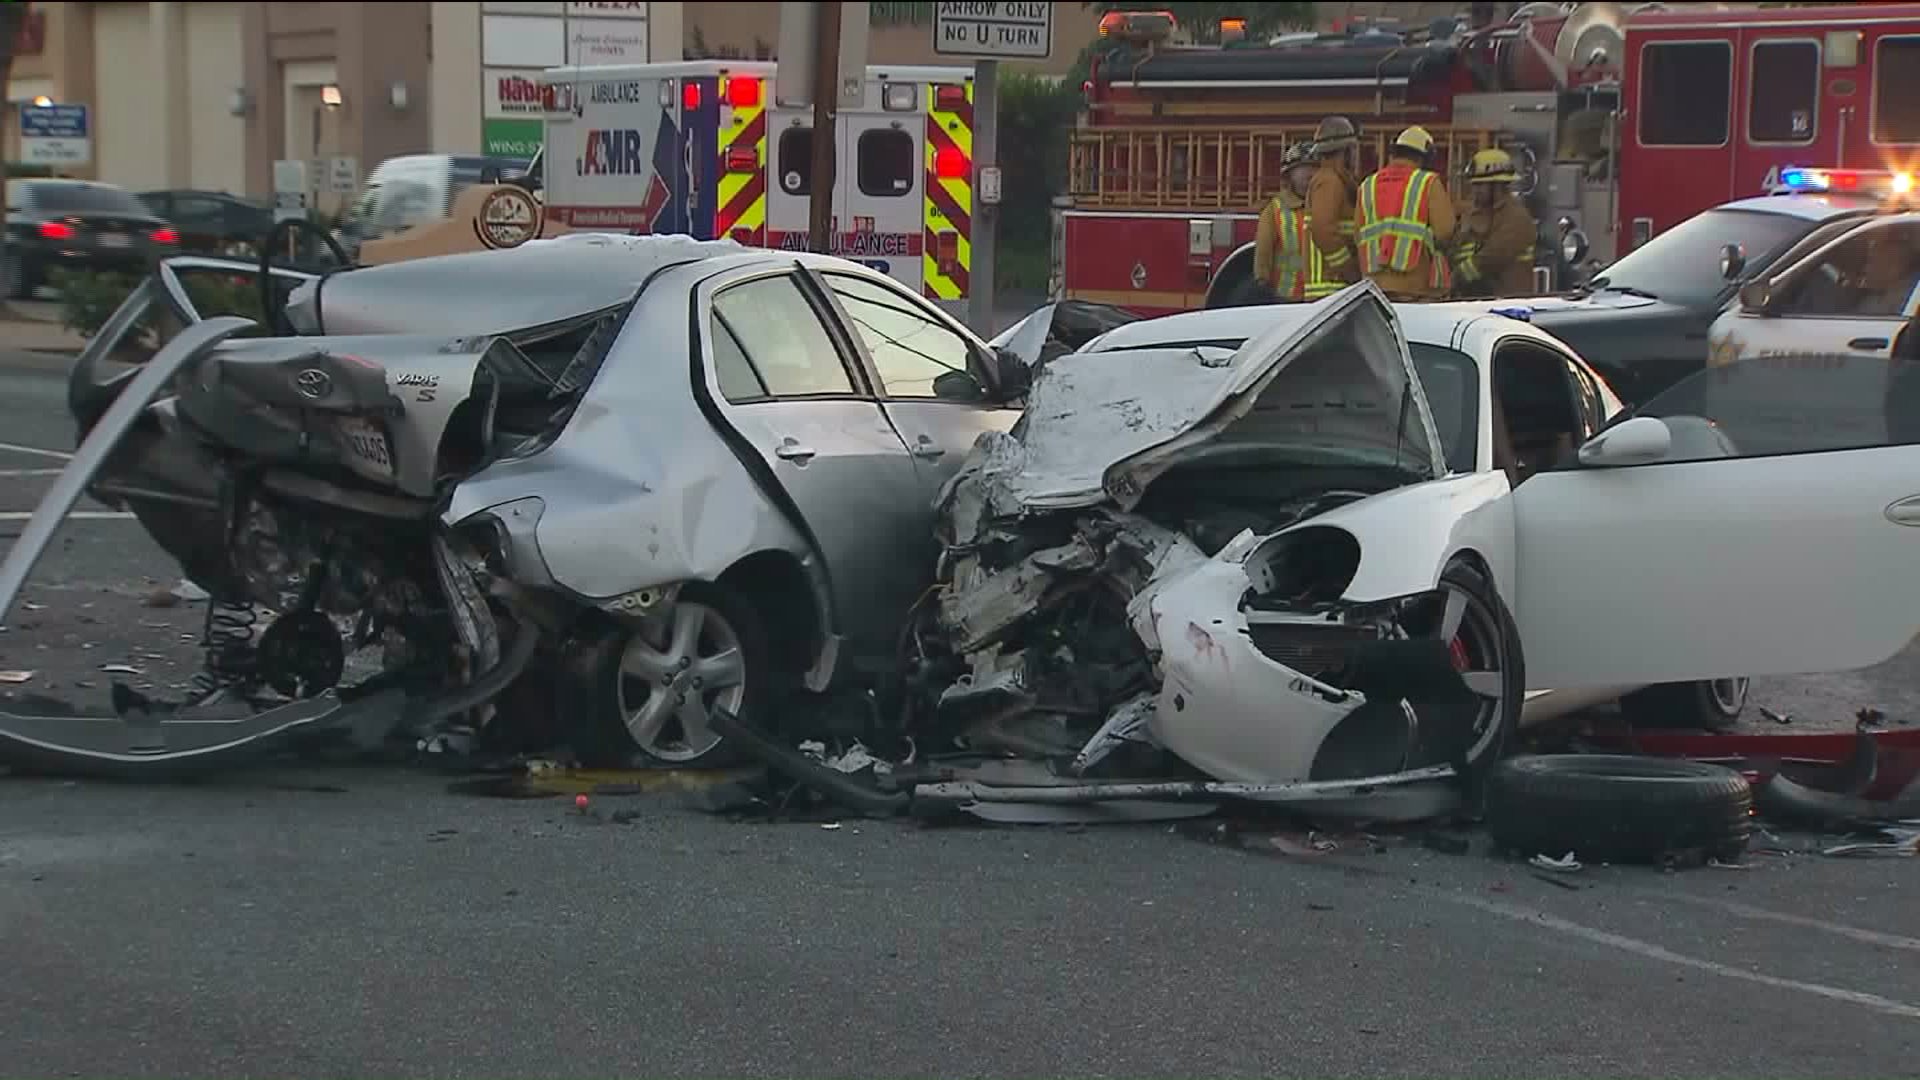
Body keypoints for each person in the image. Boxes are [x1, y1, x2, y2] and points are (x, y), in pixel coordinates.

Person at [1353, 125, 1459, 301]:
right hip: (1416, 285)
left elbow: (1357, 233)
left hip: (1375, 285)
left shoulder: (1367, 185)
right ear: (1423, 158)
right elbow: (1445, 231)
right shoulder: (1428, 182)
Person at [1253, 142, 1341, 302]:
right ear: (1289, 174)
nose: (1309, 173)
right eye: (1302, 168)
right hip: (1288, 298)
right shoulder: (1275, 209)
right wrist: (1262, 281)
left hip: (1327, 298)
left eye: (1315, 167)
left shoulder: (1332, 203)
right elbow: (1263, 253)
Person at [1453, 147, 1537, 298]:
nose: (1475, 190)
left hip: (1507, 303)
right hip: (1477, 300)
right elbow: (1458, 247)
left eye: (1480, 185)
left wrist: (1457, 276)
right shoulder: (1476, 213)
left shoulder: (1517, 218)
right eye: (1474, 185)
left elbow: (1493, 256)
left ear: (1498, 185)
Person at [1306, 115, 1363, 286]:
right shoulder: (1329, 181)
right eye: (1353, 148)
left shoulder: (1336, 180)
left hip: (1334, 289)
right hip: (1331, 287)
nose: (1356, 155)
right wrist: (1349, 270)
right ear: (1345, 151)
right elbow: (1323, 230)